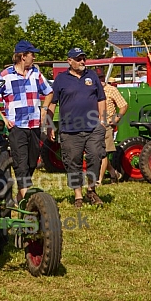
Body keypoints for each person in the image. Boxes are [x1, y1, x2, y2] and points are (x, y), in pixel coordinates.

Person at [0, 39, 53, 203]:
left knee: (32, 162)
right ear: (23, 56)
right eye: (32, 54)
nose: (34, 58)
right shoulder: (5, 75)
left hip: (34, 125)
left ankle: (21, 193)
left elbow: (49, 92)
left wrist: (44, 110)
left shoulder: (36, 74)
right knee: (21, 162)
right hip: (17, 126)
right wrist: (3, 118)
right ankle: (28, 200)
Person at [47, 48, 106, 208]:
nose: (82, 61)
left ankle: (91, 190)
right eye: (78, 59)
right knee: (73, 162)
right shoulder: (61, 80)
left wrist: (103, 120)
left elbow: (101, 98)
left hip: (93, 127)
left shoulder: (92, 76)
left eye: (83, 58)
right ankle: (78, 196)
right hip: (69, 130)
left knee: (95, 156)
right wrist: (49, 124)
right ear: (69, 61)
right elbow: (52, 103)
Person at [97, 71, 127, 185]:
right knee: (98, 152)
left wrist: (116, 119)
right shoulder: (93, 90)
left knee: (103, 153)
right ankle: (113, 172)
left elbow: (123, 105)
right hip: (95, 124)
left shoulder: (111, 90)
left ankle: (99, 180)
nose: (100, 79)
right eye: (98, 77)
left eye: (101, 77)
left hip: (107, 124)